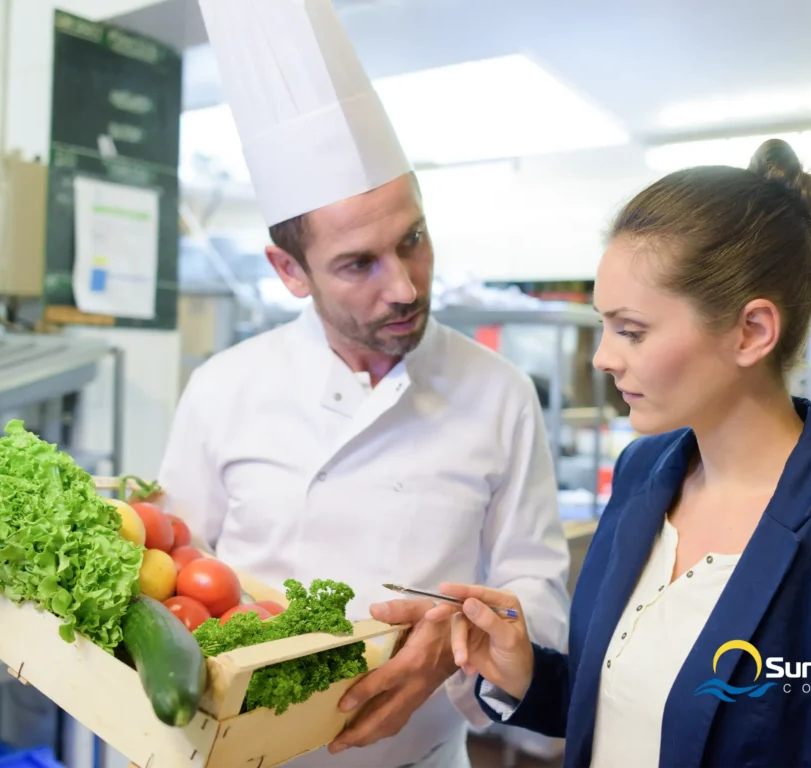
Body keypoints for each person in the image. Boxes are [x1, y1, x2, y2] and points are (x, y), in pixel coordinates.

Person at [375, 139, 811, 767]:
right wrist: (526, 673)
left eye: (632, 330)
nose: (603, 356)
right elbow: (630, 708)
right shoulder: (643, 476)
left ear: (751, 331)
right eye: (603, 326)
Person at [157, 2, 571, 767]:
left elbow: (536, 592)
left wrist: (451, 648)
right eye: (359, 264)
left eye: (412, 239)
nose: (407, 286)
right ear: (289, 272)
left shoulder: (500, 393)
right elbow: (178, 577)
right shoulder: (224, 390)